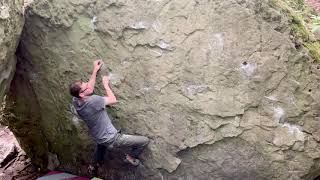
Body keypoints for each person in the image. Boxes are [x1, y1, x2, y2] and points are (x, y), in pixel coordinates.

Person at [69, 60, 149, 174]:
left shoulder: (76, 101)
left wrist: (95, 71)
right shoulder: (93, 101)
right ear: (82, 94)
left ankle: (93, 166)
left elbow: (88, 88)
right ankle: (131, 157)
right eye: (85, 86)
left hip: (98, 136)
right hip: (113, 139)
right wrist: (106, 85)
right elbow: (113, 100)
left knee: (101, 145)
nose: (88, 84)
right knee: (144, 141)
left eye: (85, 83)